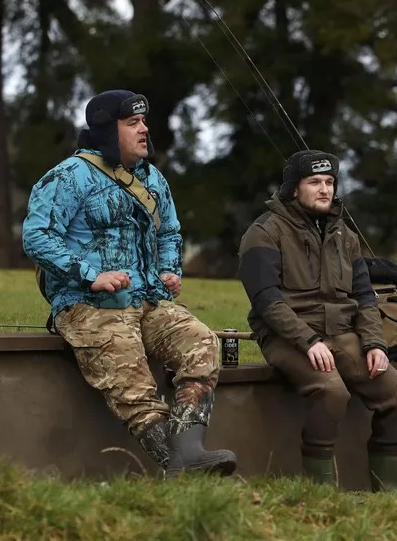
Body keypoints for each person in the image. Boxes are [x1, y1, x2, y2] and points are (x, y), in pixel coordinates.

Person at [22, 89, 237, 477]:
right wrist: (92, 275)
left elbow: (169, 231)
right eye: (132, 123)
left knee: (201, 341)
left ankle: (190, 453)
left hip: (147, 298)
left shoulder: (152, 178)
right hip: (86, 306)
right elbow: (37, 236)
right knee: (132, 382)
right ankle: (180, 467)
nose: (144, 129)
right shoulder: (69, 176)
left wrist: (169, 270)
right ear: (108, 130)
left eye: (143, 121)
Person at [237, 150, 397, 491]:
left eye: (330, 182)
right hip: (287, 336)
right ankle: (321, 493)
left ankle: (390, 496)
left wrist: (374, 343)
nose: (324, 190)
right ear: (293, 188)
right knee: (332, 392)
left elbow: (365, 296)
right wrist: (308, 340)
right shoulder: (263, 232)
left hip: (341, 333)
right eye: (314, 182)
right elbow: (266, 301)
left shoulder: (345, 235)